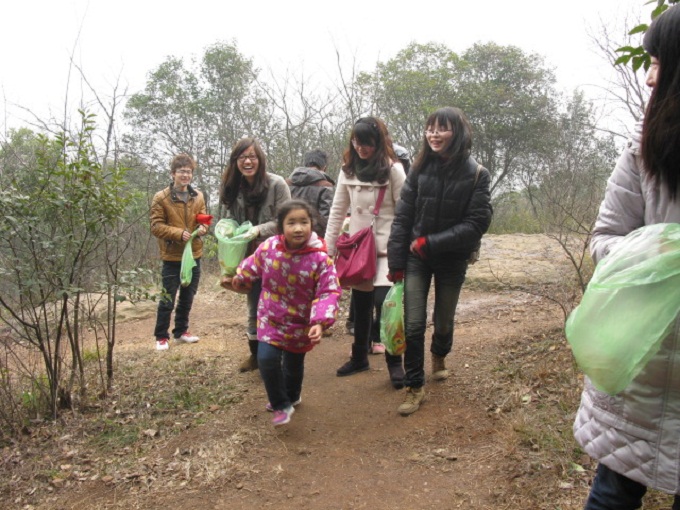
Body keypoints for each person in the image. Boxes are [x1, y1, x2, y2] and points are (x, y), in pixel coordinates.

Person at [573, 6, 680, 508]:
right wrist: (656, 252)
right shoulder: (644, 148)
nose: (650, 75)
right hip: (641, 362)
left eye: (660, 61)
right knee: (613, 492)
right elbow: (606, 236)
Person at [387, 107, 492, 415]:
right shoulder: (419, 169)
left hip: (452, 259)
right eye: (430, 128)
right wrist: (396, 261)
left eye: (441, 129)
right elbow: (403, 217)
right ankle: (415, 387)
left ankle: (440, 353)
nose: (433, 134)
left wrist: (431, 242)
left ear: (457, 133)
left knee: (443, 320)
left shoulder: (477, 174)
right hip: (416, 258)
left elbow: (476, 224)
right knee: (414, 324)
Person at [227, 200, 341, 426]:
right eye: (291, 223)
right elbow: (253, 265)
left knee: (293, 366)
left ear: (311, 224)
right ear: (281, 226)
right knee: (266, 360)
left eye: (304, 222)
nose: (298, 228)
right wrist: (240, 277)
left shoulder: (320, 259)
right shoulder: (269, 246)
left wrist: (319, 322)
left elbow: (328, 291)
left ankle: (292, 395)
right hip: (270, 318)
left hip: (301, 323)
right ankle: (281, 404)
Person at [325, 117, 407, 387]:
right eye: (356, 141)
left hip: (387, 250)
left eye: (367, 142)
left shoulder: (393, 170)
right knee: (360, 306)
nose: (361, 148)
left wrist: (403, 249)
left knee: (386, 304)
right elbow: (337, 211)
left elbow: (406, 211)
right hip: (360, 250)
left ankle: (394, 362)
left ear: (378, 142)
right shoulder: (348, 170)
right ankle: (359, 356)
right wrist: (328, 249)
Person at [219, 137, 291, 372]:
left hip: (276, 256)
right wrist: (227, 227)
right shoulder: (233, 188)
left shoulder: (277, 184)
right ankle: (256, 356)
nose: (247, 162)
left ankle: (278, 356)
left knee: (277, 305)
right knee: (254, 305)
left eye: (252, 156)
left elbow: (286, 220)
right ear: (235, 162)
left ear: (260, 159)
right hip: (249, 258)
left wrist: (258, 230)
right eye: (242, 157)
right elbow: (230, 218)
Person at [150, 153, 209, 351]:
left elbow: (203, 219)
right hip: (172, 256)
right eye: (181, 171)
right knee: (168, 298)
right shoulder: (161, 197)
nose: (185, 175)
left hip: (194, 254)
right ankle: (161, 336)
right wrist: (178, 233)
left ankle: (181, 332)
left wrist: (203, 228)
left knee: (187, 296)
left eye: (189, 172)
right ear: (173, 173)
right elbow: (156, 226)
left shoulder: (198, 196)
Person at [287, 149, 335, 237]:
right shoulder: (325, 185)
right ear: (324, 167)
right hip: (316, 237)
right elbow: (326, 218)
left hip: (291, 234)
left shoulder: (287, 184)